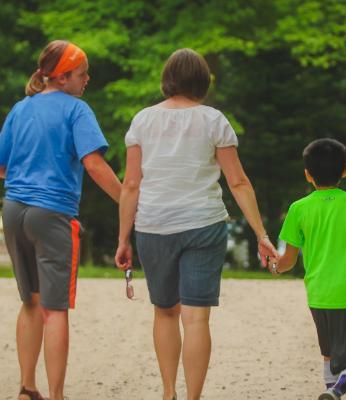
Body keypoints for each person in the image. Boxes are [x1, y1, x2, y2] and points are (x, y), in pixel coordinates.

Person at [114, 48, 279, 400]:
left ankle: (169, 392)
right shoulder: (214, 120)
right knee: (196, 318)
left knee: (165, 312)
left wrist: (123, 238)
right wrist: (260, 233)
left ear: (167, 80)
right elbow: (238, 182)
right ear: (203, 81)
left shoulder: (142, 120)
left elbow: (130, 184)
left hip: (153, 225)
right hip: (203, 224)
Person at [0, 40, 122, 400]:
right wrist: (128, 200)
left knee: (30, 301)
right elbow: (94, 164)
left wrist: (28, 176)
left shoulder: (21, 108)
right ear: (62, 78)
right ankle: (57, 395)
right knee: (54, 308)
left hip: (14, 210)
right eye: (81, 74)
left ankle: (27, 388)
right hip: (53, 214)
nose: (87, 79)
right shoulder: (77, 111)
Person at [272, 138, 346, 400]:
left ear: (308, 174)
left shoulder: (298, 209)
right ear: (345, 170)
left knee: (328, 354)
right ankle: (338, 389)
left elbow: (289, 261)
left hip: (318, 294)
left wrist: (275, 265)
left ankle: (331, 390)